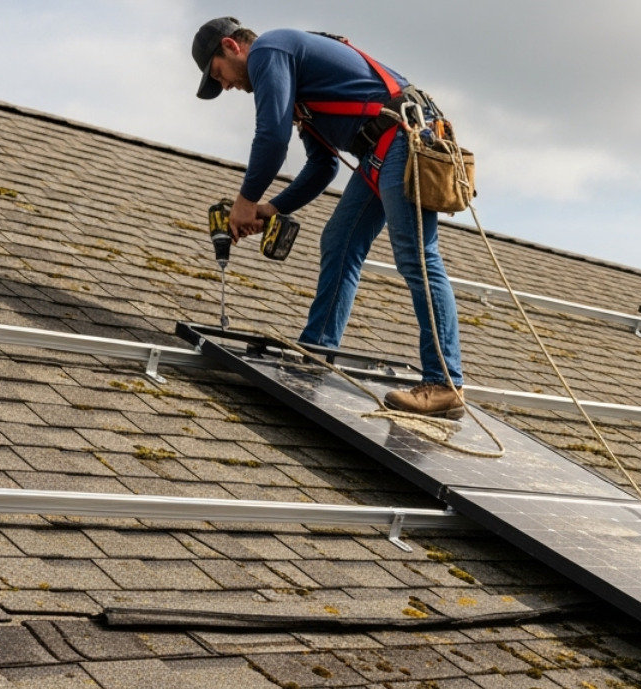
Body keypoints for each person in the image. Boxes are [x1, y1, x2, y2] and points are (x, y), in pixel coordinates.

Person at [192, 16, 465, 418]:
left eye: (220, 75)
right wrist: (271, 208)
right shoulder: (297, 82)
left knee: (417, 257)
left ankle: (445, 383)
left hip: (403, 139)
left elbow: (272, 138)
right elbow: (323, 167)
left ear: (232, 47)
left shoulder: (269, 50)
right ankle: (317, 349)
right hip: (380, 151)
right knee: (339, 241)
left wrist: (245, 201)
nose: (228, 86)